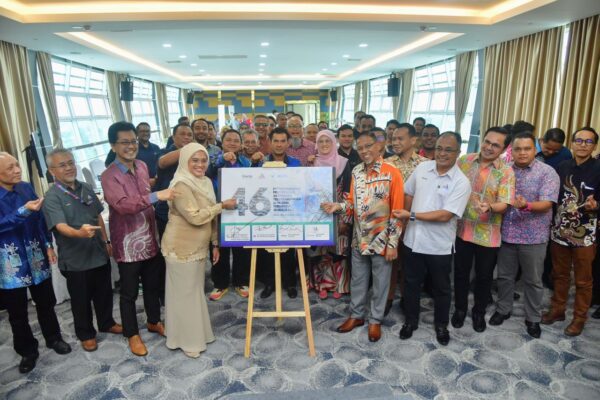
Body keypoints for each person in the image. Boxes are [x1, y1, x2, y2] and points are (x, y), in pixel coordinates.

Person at [101, 121, 178, 356]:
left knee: (153, 286)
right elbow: (123, 206)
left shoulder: (142, 166)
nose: (131, 146)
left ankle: (154, 321)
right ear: (113, 146)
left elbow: (146, 191)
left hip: (150, 237)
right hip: (128, 244)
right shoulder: (109, 176)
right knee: (129, 293)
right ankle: (132, 334)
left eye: (133, 141)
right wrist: (156, 196)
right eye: (124, 142)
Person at [322, 131, 404, 342]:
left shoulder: (392, 172)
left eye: (369, 146)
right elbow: (351, 203)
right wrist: (338, 206)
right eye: (360, 147)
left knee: (380, 282)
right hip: (358, 238)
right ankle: (356, 315)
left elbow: (397, 211)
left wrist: (393, 244)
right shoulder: (356, 171)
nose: (364, 151)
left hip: (382, 239)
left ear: (379, 146)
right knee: (358, 280)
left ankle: (375, 320)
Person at [394, 132, 471, 345]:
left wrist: (411, 215)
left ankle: (441, 325)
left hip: (439, 245)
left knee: (441, 288)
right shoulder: (422, 168)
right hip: (413, 240)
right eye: (439, 148)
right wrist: (405, 223)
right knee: (411, 284)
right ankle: (410, 322)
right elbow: (409, 192)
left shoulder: (461, 182)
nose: (442, 153)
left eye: (448, 150)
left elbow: (446, 215)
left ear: (458, 152)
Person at [43, 148, 123, 352]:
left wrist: (106, 241)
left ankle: (107, 322)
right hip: (75, 260)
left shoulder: (86, 187)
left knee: (104, 292)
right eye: (62, 165)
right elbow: (60, 226)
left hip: (98, 252)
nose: (69, 167)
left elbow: (97, 216)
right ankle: (86, 334)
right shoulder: (52, 197)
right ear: (52, 171)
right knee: (81, 300)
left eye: (71, 162)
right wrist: (79, 233)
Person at [161, 143, 236, 358]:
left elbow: (210, 219)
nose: (200, 164)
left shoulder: (205, 182)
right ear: (185, 161)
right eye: (194, 160)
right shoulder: (181, 184)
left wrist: (215, 243)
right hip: (181, 248)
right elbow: (195, 217)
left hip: (199, 247)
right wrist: (222, 206)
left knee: (193, 293)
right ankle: (187, 341)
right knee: (184, 295)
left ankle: (194, 335)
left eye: (203, 160)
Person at [0, 152, 71, 373]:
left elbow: (40, 219)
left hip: (36, 254)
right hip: (10, 263)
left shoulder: (26, 188)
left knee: (46, 301)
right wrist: (23, 211)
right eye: (10, 168)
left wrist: (48, 245)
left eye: (17, 165)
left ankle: (53, 337)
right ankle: (27, 351)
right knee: (17, 313)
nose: (17, 170)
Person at [492, 132, 559, 338]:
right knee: (504, 277)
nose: (522, 153)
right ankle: (503, 309)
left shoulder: (547, 172)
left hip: (534, 237)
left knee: (533, 280)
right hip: (507, 233)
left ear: (535, 150)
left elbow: (547, 203)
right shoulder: (504, 170)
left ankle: (533, 318)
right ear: (512, 150)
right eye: (518, 149)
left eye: (527, 148)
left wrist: (526, 205)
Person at [452, 126, 515, 333]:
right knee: (460, 273)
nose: (488, 147)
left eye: (495, 145)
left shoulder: (506, 171)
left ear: (504, 149)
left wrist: (490, 207)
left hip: (488, 234)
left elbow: (505, 203)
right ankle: (460, 309)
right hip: (462, 229)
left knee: (484, 276)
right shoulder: (465, 161)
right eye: (487, 141)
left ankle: (478, 311)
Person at [542, 127, 600, 336]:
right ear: (573, 143)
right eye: (579, 140)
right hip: (559, 230)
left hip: (585, 234)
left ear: (594, 146)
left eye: (588, 141)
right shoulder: (562, 166)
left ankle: (579, 318)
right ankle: (557, 310)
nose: (583, 145)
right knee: (559, 274)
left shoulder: (598, 168)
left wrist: (596, 205)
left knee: (583, 280)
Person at [384, 123, 428, 313]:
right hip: (391, 219)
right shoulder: (386, 163)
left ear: (413, 140)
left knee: (411, 264)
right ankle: (387, 298)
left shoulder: (425, 165)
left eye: (400, 138)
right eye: (393, 138)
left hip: (414, 220)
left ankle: (406, 298)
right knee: (389, 263)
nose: (395, 142)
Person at [306, 130, 352, 299]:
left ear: (334, 143)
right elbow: (307, 189)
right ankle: (321, 284)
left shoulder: (343, 163)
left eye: (328, 141)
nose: (324, 144)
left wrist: (345, 218)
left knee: (339, 251)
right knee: (319, 251)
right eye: (321, 141)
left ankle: (339, 285)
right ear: (316, 144)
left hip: (338, 213)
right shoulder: (312, 163)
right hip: (317, 214)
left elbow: (347, 192)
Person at [207, 129, 252, 300]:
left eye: (236, 140)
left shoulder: (245, 162)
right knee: (219, 248)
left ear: (241, 144)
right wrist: (222, 160)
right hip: (219, 209)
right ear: (222, 142)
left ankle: (241, 281)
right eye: (228, 140)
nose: (232, 143)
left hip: (241, 210)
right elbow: (208, 172)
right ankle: (220, 284)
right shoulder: (213, 159)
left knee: (242, 249)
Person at [259, 128, 302, 298]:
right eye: (275, 141)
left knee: (288, 250)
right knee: (267, 250)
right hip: (267, 213)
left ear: (288, 143)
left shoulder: (296, 163)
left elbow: (300, 186)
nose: (279, 144)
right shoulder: (261, 163)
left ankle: (290, 283)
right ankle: (269, 283)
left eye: (282, 141)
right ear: (270, 142)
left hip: (288, 212)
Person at [104, 123, 161, 187]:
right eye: (142, 131)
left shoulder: (156, 147)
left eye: (147, 131)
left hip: (154, 184)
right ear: (137, 133)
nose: (145, 133)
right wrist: (128, 179)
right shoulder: (121, 149)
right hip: (132, 185)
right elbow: (108, 164)